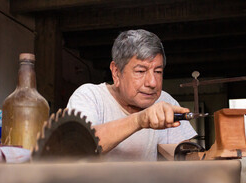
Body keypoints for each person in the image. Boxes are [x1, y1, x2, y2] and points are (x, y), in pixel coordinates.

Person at [67, 29, 197, 161]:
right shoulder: (90, 96)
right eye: (141, 71)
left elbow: (183, 158)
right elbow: (78, 147)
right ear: (116, 72)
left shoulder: (165, 102)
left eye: (158, 71)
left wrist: (208, 154)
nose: (152, 83)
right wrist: (139, 120)